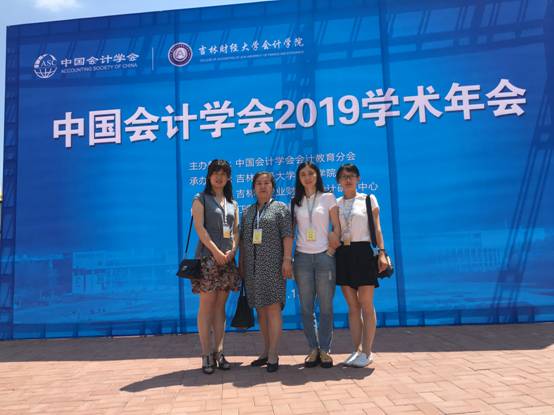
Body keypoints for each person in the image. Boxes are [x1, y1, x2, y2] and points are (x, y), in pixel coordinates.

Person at [335, 163, 389, 368]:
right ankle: (356, 350)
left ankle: (367, 351)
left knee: (366, 304)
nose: (348, 179)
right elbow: (335, 231)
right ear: (338, 181)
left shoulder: (368, 199)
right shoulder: (336, 203)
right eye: (343, 176)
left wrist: (382, 253)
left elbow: (377, 228)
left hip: (363, 253)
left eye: (351, 176)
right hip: (343, 254)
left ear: (358, 178)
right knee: (352, 307)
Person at [239, 171, 293, 373]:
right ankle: (266, 350)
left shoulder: (280, 208)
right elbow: (243, 241)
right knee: (260, 311)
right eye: (259, 183)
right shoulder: (248, 212)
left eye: (266, 183)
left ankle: (273, 353)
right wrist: (241, 264)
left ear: (272, 187)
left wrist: (287, 260)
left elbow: (287, 236)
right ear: (253, 188)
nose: (262, 186)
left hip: (273, 267)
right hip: (252, 269)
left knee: (273, 309)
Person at [191, 159, 241, 374]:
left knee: (220, 308)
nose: (219, 177)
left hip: (227, 261)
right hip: (208, 260)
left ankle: (218, 352)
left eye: (223, 174)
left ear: (228, 178)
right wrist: (216, 252)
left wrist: (233, 250)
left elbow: (236, 230)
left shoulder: (233, 203)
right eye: (215, 173)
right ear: (209, 176)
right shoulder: (200, 199)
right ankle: (205, 354)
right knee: (206, 307)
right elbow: (200, 229)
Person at [291, 161, 341, 368]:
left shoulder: (328, 197)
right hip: (302, 258)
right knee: (306, 307)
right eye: (303, 174)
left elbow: (337, 227)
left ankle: (325, 349)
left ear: (317, 175)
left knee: (326, 306)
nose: (307, 177)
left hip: (324, 257)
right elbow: (290, 232)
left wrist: (330, 252)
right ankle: (313, 348)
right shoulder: (295, 201)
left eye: (311, 173)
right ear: (299, 178)